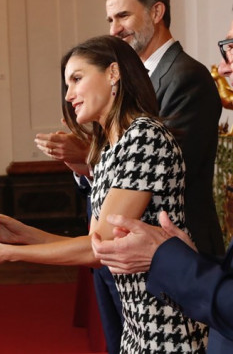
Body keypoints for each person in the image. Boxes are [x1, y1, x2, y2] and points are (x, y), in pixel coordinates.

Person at [0, 35, 208, 352]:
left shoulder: (145, 136)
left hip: (167, 321)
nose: (69, 94)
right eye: (67, 84)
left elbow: (97, 250)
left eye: (77, 78)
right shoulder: (113, 149)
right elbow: (98, 249)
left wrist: (8, 253)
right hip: (139, 322)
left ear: (113, 73)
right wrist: (22, 235)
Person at [36, 0, 223, 351]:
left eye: (123, 16)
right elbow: (125, 171)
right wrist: (87, 163)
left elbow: (161, 169)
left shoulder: (186, 76)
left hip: (175, 259)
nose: (114, 29)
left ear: (157, 12)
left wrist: (90, 154)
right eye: (109, 20)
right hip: (127, 256)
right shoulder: (133, 84)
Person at [91, 21, 233, 354]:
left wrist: (168, 255)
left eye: (232, 47)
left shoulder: (149, 131)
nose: (225, 65)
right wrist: (185, 255)